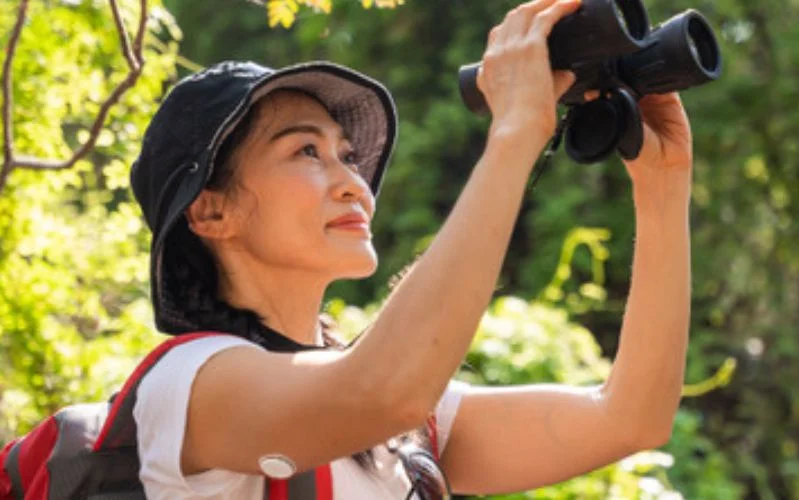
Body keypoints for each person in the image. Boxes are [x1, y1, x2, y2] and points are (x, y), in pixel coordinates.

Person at [126, 0, 693, 497]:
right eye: (305, 152)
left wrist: (663, 181)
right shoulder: (190, 387)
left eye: (347, 157)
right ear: (211, 211)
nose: (353, 183)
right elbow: (379, 391)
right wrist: (515, 131)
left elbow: (630, 419)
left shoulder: (410, 430)